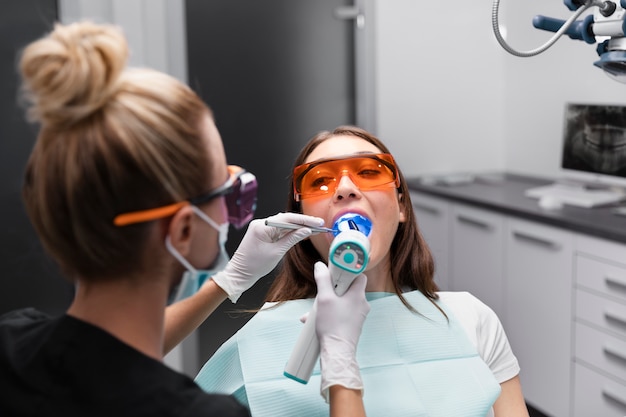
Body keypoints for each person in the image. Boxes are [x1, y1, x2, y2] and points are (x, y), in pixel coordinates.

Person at [0, 21, 369, 417]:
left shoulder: (11, 341)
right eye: (231, 195)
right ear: (184, 230)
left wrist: (227, 282)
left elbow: (106, 362)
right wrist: (342, 368)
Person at [195, 126, 531, 417]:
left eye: (369, 172)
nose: (344, 188)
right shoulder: (259, 337)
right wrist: (228, 281)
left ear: (401, 207)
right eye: (321, 181)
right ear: (303, 218)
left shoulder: (471, 318)